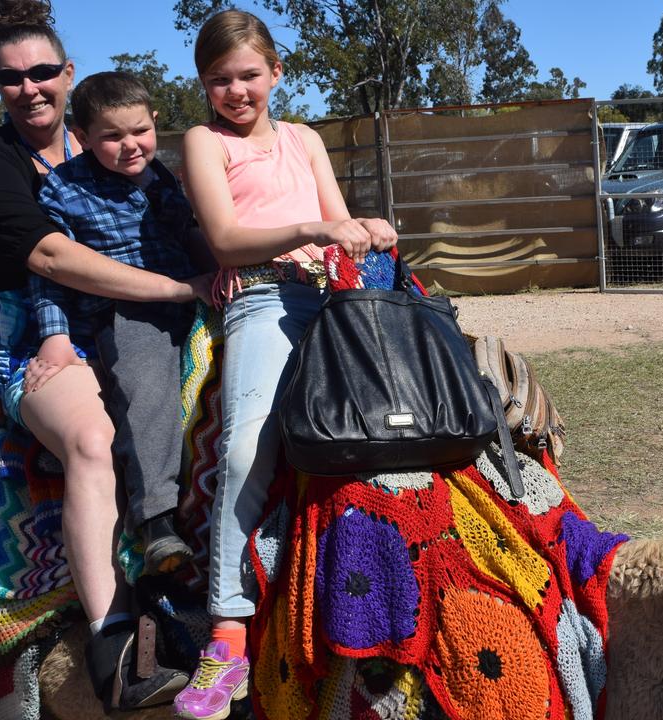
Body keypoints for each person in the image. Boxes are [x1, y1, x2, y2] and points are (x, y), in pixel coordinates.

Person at [0, 0, 194, 711]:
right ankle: (113, 641)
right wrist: (183, 287)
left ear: (69, 73)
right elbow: (54, 260)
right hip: (39, 324)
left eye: (42, 71)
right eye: (10, 78)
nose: (29, 88)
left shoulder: (116, 147)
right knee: (92, 439)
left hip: (143, 308)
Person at [172, 9, 397, 719]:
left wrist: (368, 230)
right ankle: (229, 626)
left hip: (330, 294)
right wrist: (314, 228)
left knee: (412, 413)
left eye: (248, 76)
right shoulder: (204, 142)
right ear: (205, 86)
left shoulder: (303, 139)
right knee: (245, 443)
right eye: (220, 80)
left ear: (276, 72)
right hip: (263, 297)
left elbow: (341, 219)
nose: (237, 91)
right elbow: (228, 239)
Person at [25, 70, 212, 576]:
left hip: (188, 296)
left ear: (154, 122)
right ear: (82, 138)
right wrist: (55, 337)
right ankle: (156, 521)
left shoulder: (164, 178)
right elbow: (49, 273)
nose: (130, 146)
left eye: (140, 131)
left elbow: (188, 233)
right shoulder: (63, 188)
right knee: (144, 379)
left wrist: (221, 275)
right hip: (126, 309)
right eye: (112, 136)